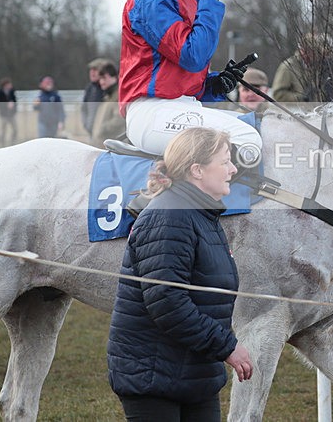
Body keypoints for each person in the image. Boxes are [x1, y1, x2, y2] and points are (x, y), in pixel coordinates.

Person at [107, 127, 253, 421]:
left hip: (193, 374)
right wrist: (226, 346)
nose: (233, 169)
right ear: (197, 170)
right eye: (225, 161)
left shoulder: (201, 214)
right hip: (154, 376)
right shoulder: (169, 216)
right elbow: (167, 301)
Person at [118, 0, 262, 169]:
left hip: (178, 109)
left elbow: (176, 75)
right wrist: (209, 2)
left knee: (254, 126)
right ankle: (159, 207)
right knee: (246, 137)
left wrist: (212, 86)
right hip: (151, 113)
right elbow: (192, 56)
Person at [271, 33, 333, 103]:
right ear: (302, 50)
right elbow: (278, 95)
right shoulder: (288, 67)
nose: (314, 55)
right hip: (293, 111)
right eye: (310, 51)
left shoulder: (320, 68)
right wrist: (301, 97)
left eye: (316, 52)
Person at [91, 62, 126, 149]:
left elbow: (119, 120)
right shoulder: (107, 97)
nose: (101, 82)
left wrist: (102, 129)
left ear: (114, 77)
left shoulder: (118, 96)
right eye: (100, 79)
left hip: (113, 146)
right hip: (103, 145)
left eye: (104, 78)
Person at [81, 58, 106, 141]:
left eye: (95, 69)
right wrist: (86, 124)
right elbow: (84, 108)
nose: (92, 72)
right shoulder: (90, 88)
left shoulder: (108, 89)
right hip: (92, 133)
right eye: (91, 70)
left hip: (106, 134)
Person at [0, 77, 17, 146]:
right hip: (3, 114)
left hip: (11, 114)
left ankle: (12, 143)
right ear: (5, 85)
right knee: (3, 130)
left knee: (15, 129)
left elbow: (15, 101)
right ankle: (2, 144)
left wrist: (13, 107)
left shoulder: (12, 91)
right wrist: (5, 105)